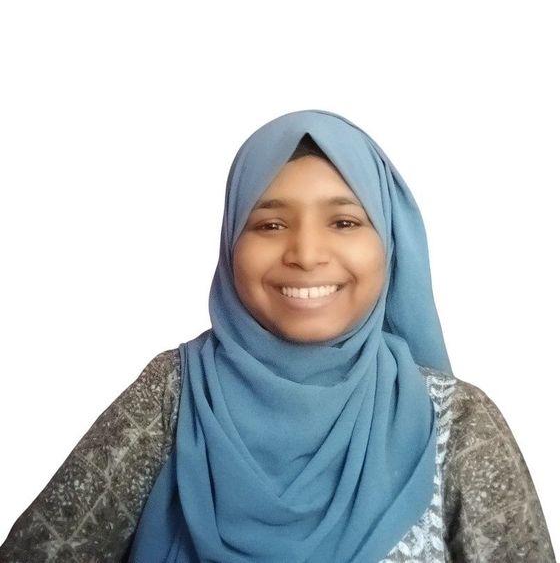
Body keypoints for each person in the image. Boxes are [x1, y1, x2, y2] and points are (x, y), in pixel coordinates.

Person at [0, 109, 555, 563]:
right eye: (270, 224)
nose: (306, 254)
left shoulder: (455, 423)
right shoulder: (173, 394)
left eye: (344, 222)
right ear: (230, 243)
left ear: (388, 243)